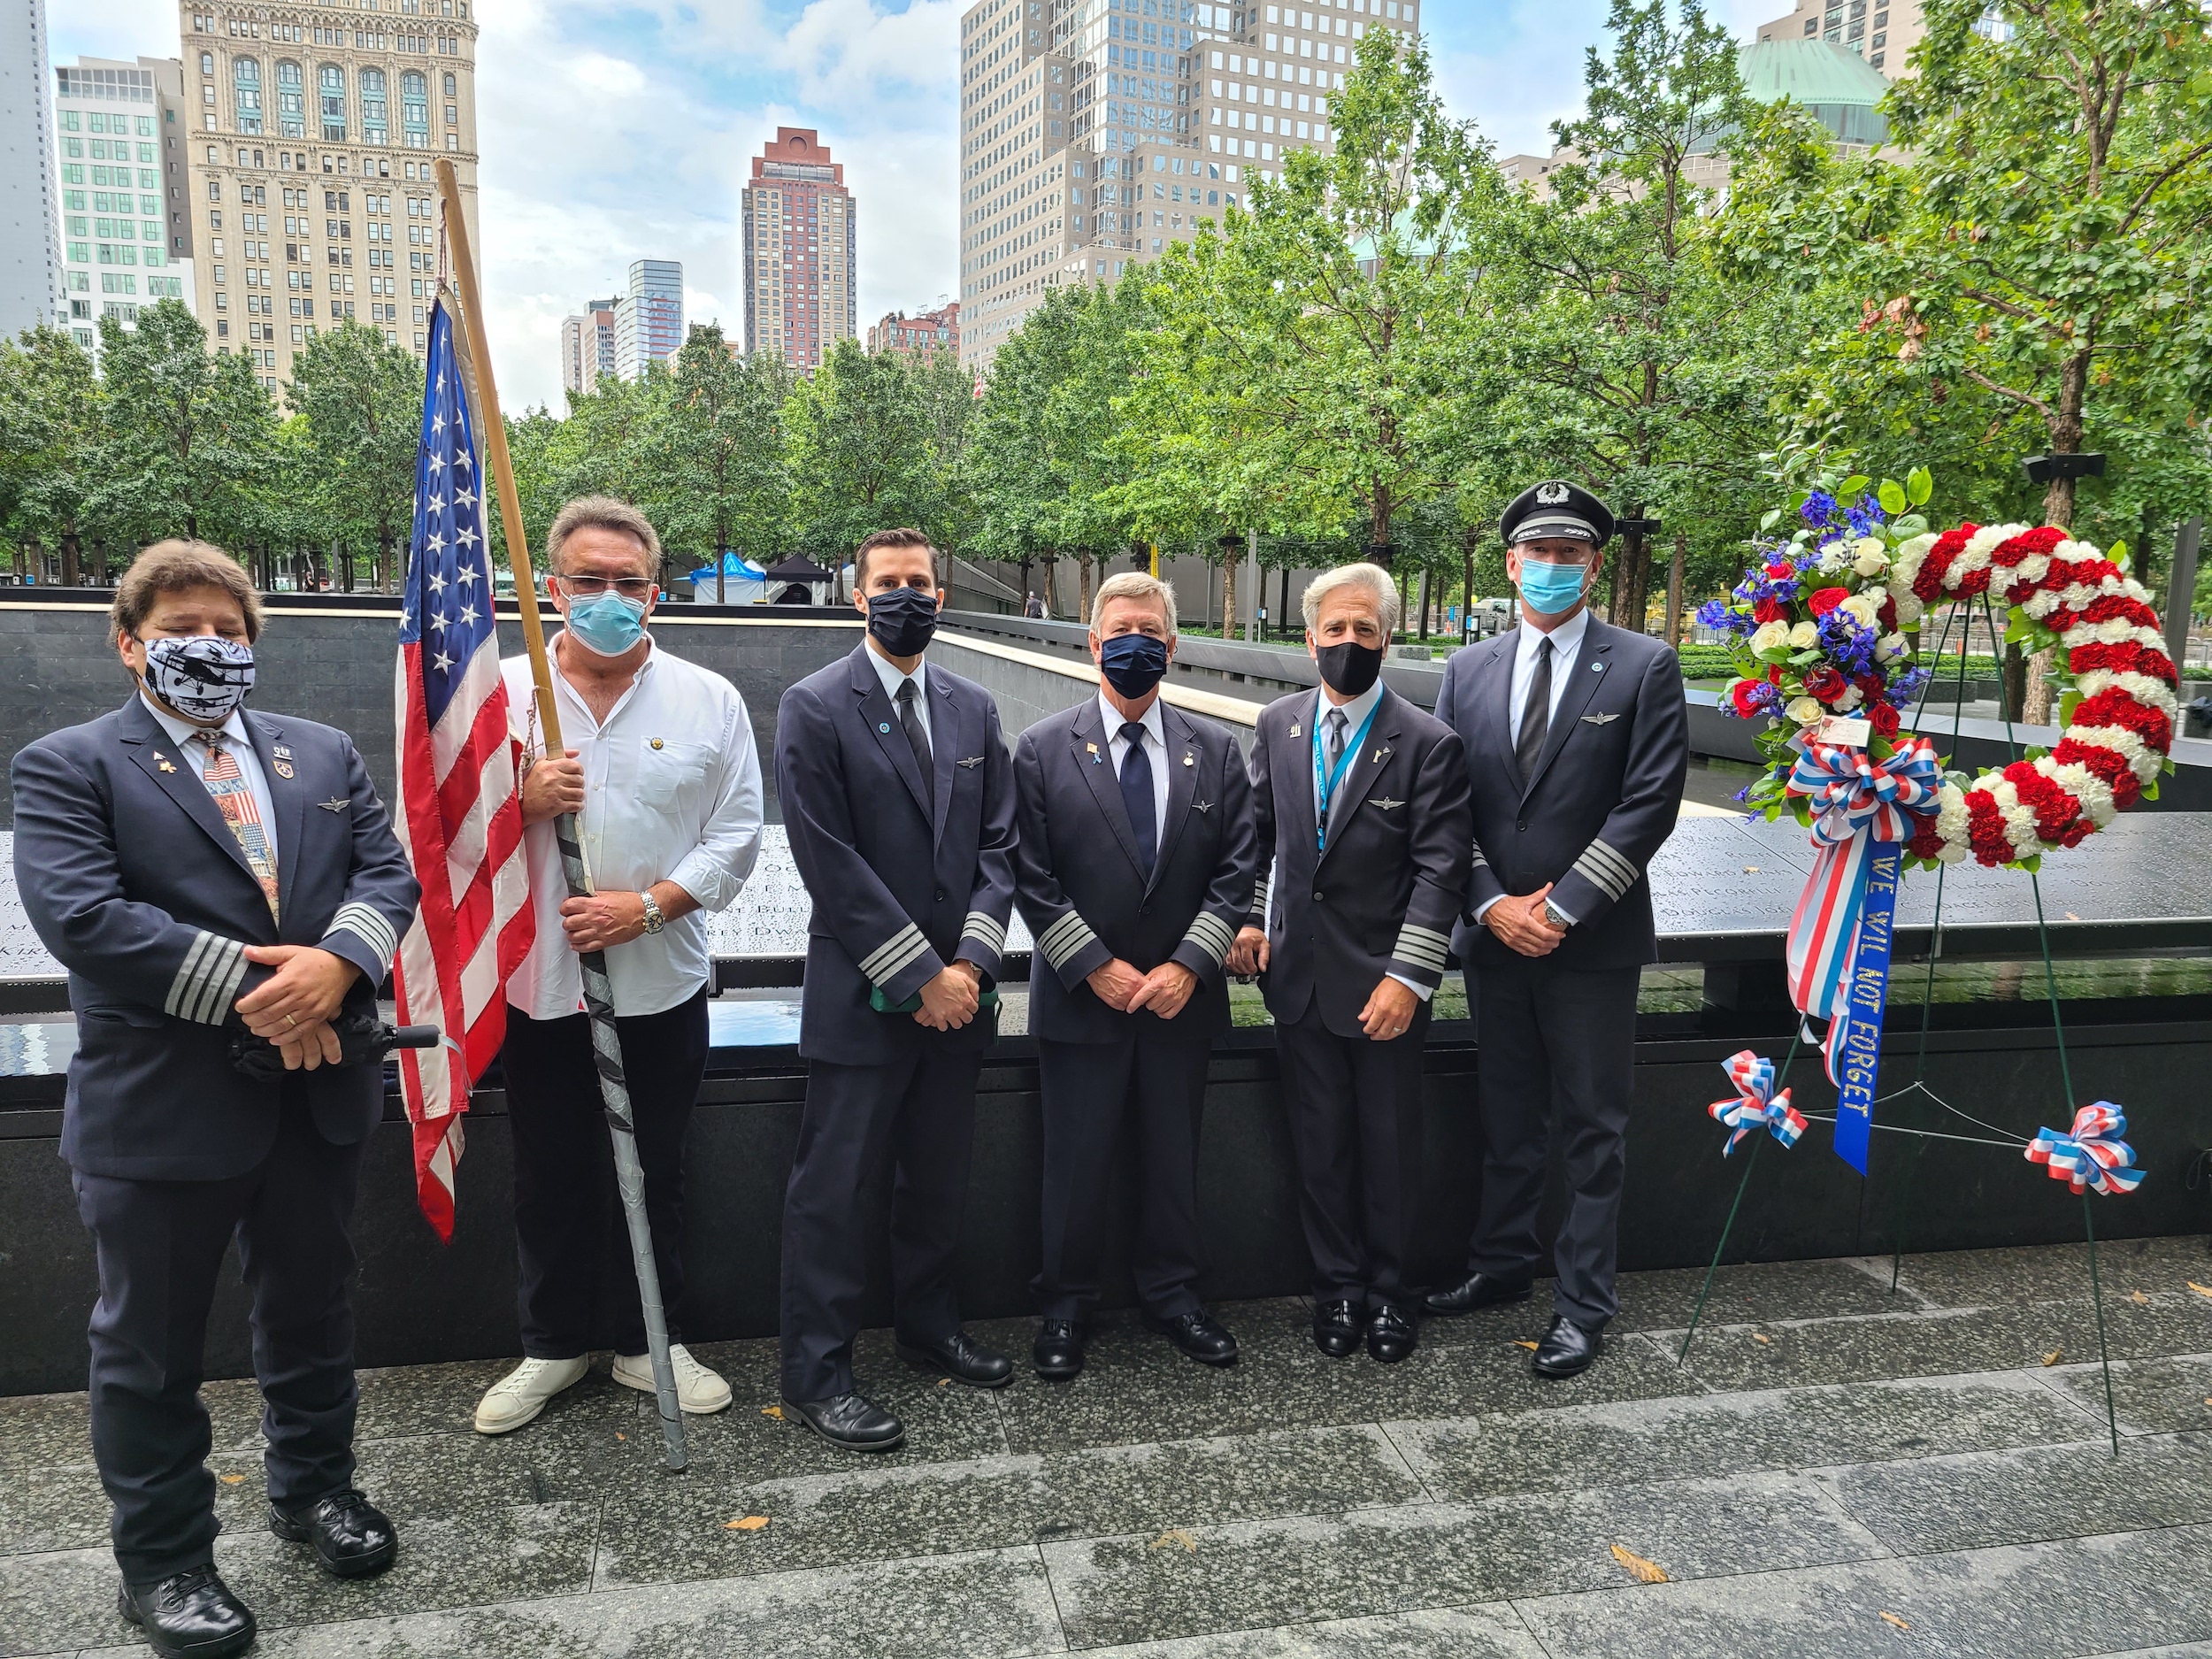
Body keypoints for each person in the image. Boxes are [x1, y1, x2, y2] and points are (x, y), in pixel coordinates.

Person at [12, 541, 421, 1658]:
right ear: (129, 640)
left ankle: (312, 1493)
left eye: (228, 631)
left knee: (313, 1309)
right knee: (147, 1345)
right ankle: (165, 1561)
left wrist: (335, 967)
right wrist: (281, 993)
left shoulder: (322, 753)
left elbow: (390, 878)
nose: (209, 647)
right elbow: (84, 921)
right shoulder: (70, 764)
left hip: (316, 1091)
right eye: (183, 628)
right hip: (163, 1103)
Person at [472, 497, 764, 1436]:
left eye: (627, 583)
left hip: (660, 981)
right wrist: (514, 800)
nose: (608, 598)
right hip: (536, 984)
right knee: (548, 1172)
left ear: (655, 593)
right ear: (550, 588)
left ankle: (653, 1340)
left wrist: (649, 906)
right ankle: (553, 1344)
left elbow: (737, 833)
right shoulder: (499, 698)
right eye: (588, 582)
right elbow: (435, 833)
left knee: (659, 1167)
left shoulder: (707, 699)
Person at [1428, 480, 1688, 1378]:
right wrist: (1490, 902)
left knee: (1589, 1129)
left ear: (1594, 566)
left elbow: (1648, 803)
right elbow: (1442, 806)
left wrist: (1563, 906)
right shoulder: (1466, 671)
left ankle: (1582, 1306)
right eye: (1535, 554)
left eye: (1567, 554)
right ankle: (1500, 1266)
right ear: (1509, 564)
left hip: (1591, 944)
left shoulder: (1643, 664)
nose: (1549, 568)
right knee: (1506, 1118)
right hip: (1494, 937)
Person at [772, 527, 1020, 1453]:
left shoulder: (973, 706)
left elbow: (1000, 848)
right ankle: (817, 1372)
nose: (905, 595)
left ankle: (928, 1326)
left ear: (942, 594)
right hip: (862, 1001)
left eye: (920, 581)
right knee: (833, 1194)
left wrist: (969, 968)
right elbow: (824, 858)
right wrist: (920, 977)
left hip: (961, 1001)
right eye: (888, 583)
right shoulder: (814, 705)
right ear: (856, 595)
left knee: (936, 1178)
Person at [1014, 572, 1256, 1380]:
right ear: (1091, 641)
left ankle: (1176, 1295)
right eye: (1119, 629)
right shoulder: (1042, 748)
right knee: (1074, 1164)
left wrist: (1191, 963)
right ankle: (1064, 1306)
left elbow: (1237, 871)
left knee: (1172, 1156)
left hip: (1180, 1002)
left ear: (1172, 646)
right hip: (1084, 1002)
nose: (1134, 644)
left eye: (1150, 632)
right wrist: (1095, 965)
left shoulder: (1216, 750)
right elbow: (1030, 875)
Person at [1227, 564, 1471, 1364]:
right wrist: (1253, 921)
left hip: (1384, 988)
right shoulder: (1278, 724)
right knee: (1319, 1143)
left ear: (1387, 638)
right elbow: (1259, 839)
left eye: (1365, 630)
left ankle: (1392, 1295)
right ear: (1309, 639)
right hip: (1296, 980)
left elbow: (1443, 871)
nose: (1349, 642)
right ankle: (1336, 1287)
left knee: (1390, 1148)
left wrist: (1409, 977)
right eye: (1335, 629)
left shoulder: (1428, 742)